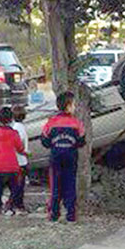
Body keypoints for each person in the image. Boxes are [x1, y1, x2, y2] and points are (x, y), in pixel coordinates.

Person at [41, 92, 86, 223]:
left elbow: (44, 140)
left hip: (55, 157)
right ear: (68, 106)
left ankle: (54, 214)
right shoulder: (77, 123)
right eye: (73, 105)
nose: (75, 107)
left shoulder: (51, 122)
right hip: (71, 157)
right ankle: (71, 215)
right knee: (70, 184)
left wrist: (55, 145)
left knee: (55, 185)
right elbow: (82, 141)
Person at [10, 106, 29, 215]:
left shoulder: (15, 127)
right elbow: (19, 144)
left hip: (17, 160)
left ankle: (14, 205)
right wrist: (26, 152)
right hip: (21, 161)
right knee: (19, 186)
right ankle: (18, 206)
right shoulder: (20, 128)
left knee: (17, 185)